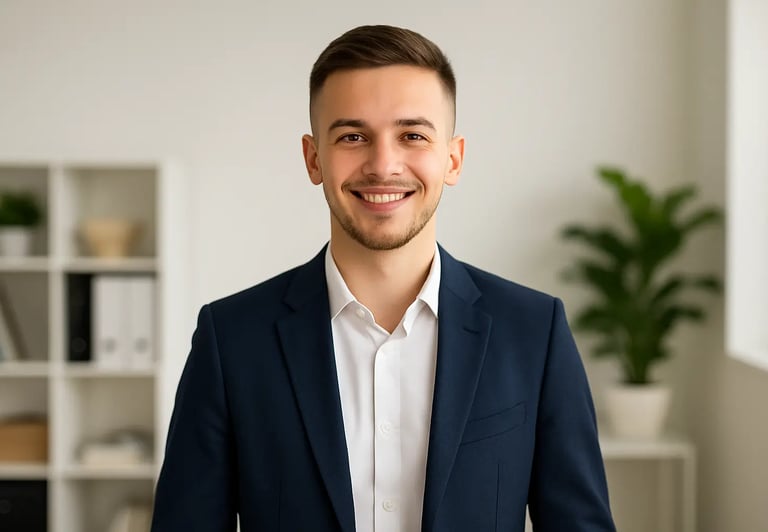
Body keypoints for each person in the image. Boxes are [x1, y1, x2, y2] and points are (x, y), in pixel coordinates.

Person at [151, 25, 615, 532]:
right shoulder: (232, 338)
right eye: (353, 137)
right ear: (313, 159)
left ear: (453, 158)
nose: (383, 164)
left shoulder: (533, 332)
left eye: (412, 135)